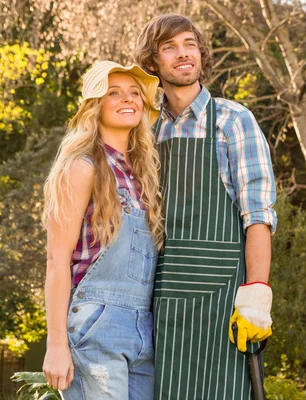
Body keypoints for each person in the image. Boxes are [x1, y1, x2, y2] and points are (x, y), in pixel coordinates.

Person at [135, 14, 277, 399]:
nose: (183, 54)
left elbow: (258, 217)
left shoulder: (233, 121)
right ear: (154, 62)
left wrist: (257, 291)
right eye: (169, 47)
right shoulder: (146, 132)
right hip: (161, 297)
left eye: (189, 44)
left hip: (225, 301)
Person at [42, 60, 163, 399]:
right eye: (114, 93)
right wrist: (56, 345)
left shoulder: (143, 176)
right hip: (97, 326)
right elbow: (56, 259)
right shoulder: (82, 167)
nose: (128, 100)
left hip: (143, 329)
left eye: (135, 93)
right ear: (96, 104)